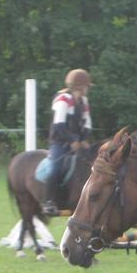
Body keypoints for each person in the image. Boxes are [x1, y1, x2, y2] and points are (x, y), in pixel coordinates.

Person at [43, 68, 94, 215]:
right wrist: (72, 140)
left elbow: (88, 124)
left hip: (77, 142)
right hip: (59, 143)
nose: (87, 89)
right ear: (79, 87)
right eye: (86, 86)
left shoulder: (83, 101)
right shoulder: (62, 99)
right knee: (55, 168)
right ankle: (49, 202)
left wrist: (83, 138)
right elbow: (59, 125)